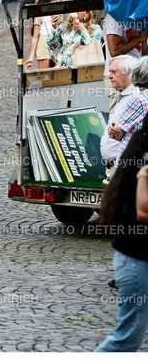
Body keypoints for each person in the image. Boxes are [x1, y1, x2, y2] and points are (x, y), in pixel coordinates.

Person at [96, 114, 148, 352]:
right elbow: (143, 211)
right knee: (127, 339)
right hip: (137, 262)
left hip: (136, 259)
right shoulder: (142, 166)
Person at [100, 55, 139, 179]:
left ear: (128, 74)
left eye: (113, 72)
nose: (109, 76)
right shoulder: (123, 95)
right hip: (116, 168)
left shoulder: (136, 98)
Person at [103, 14, 147, 113]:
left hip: (137, 75)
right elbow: (114, 50)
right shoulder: (114, 18)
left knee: (137, 113)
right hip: (119, 75)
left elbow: (143, 51)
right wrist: (140, 38)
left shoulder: (138, 17)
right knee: (118, 114)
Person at [109, 57, 148, 161]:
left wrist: (112, 129)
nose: (109, 76)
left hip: (130, 162)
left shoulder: (139, 100)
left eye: (113, 72)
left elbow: (116, 133)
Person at [24, 0, 60, 69]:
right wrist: (31, 57)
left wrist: (54, 25)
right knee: (45, 75)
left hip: (51, 44)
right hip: (43, 44)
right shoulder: (39, 16)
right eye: (52, 0)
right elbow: (35, 37)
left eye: (55, 0)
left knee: (53, 74)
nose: (54, 3)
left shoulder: (53, 14)